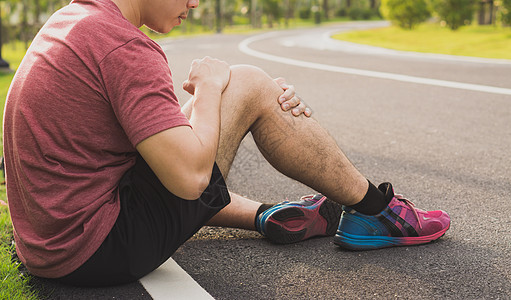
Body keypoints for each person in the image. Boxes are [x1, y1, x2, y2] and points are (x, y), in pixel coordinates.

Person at [3, 0, 450, 287]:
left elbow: (151, 150)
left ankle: (265, 216)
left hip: (50, 243)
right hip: (96, 250)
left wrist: (219, 104)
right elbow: (189, 177)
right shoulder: (125, 47)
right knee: (250, 83)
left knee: (212, 114)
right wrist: (219, 89)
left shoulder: (74, 19)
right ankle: (376, 213)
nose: (195, 3)